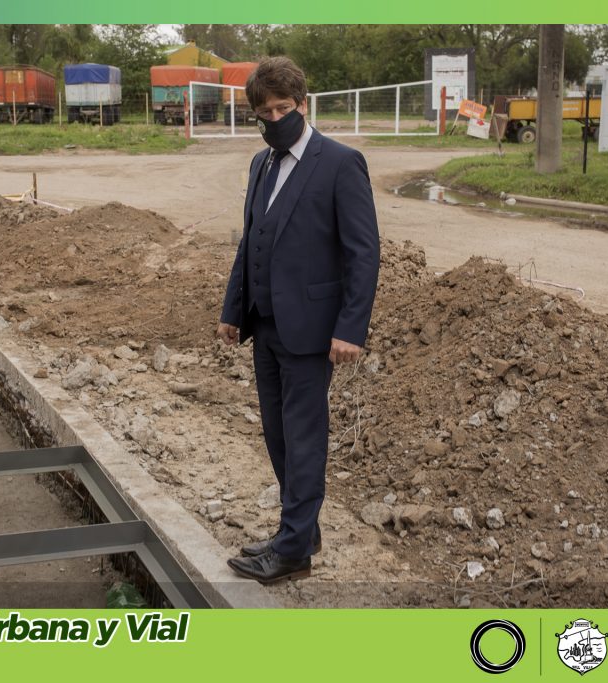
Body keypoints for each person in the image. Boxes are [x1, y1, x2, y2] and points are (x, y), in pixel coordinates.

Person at [216, 57, 380, 584]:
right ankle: (300, 530)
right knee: (277, 435)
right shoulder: (259, 165)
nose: (274, 118)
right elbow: (251, 239)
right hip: (264, 326)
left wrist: (351, 328)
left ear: (303, 105)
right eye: (264, 112)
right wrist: (232, 310)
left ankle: (292, 553)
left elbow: (363, 252)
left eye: (283, 108)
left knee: (304, 437)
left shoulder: (340, 162)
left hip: (313, 332)